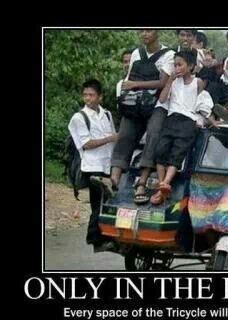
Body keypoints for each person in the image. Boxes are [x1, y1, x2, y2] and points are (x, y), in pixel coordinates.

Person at [93, 30, 175, 204]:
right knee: (124, 135)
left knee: (153, 136)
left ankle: (142, 183)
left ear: (158, 32)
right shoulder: (137, 52)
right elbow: (130, 77)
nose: (145, 34)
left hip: (157, 104)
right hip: (135, 102)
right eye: (142, 30)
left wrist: (136, 84)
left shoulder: (169, 55)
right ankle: (113, 180)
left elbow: (162, 82)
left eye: (149, 30)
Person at [151, 50, 210, 205]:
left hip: (188, 121)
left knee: (178, 152)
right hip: (172, 118)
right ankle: (162, 183)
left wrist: (202, 119)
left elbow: (201, 102)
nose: (177, 68)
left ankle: (166, 182)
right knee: (161, 149)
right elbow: (163, 99)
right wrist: (170, 81)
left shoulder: (197, 82)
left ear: (190, 66)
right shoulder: (173, 82)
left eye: (180, 65)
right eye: (175, 65)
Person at [67, 79, 117, 252]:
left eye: (91, 95)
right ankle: (95, 238)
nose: (88, 98)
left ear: (100, 97)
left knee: (108, 202)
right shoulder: (79, 118)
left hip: (107, 164)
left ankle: (105, 236)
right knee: (99, 203)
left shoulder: (107, 114)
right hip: (92, 165)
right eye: (85, 95)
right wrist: (110, 138)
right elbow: (86, 144)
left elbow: (113, 138)